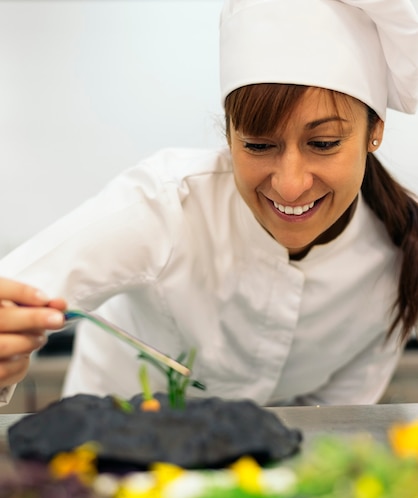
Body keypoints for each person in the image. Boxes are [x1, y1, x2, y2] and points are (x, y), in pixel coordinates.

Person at [0, 0, 418, 407]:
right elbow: (16, 291)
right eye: (258, 144)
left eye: (323, 144)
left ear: (373, 132)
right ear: (229, 135)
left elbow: (335, 421)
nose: (290, 185)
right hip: (104, 448)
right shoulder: (166, 204)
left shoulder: (399, 258)